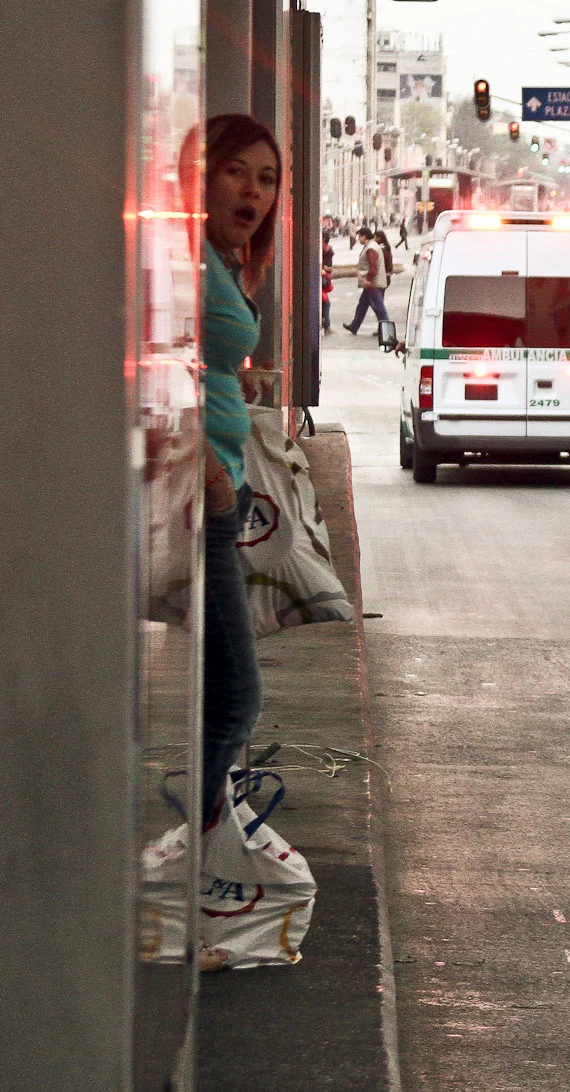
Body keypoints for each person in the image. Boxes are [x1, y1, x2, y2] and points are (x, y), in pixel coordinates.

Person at [196, 113, 281, 830]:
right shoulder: (184, 257)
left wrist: (235, 378)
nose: (253, 190)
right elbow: (153, 360)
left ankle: (198, 839)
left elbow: (201, 358)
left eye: (267, 178)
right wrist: (205, 468)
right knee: (234, 696)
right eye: (236, 171)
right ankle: (194, 836)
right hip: (204, 496)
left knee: (224, 692)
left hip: (224, 487)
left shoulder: (221, 259)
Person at [345, 225, 390, 335]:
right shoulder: (372, 246)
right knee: (362, 305)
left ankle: (387, 331)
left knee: (379, 308)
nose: (358, 239)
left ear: (364, 236)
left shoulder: (371, 248)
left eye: (359, 236)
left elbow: (373, 266)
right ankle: (354, 326)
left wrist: (368, 280)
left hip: (372, 284)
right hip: (370, 283)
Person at [320, 245, 333, 333]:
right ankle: (327, 326)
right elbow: (329, 288)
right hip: (322, 296)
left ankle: (325, 325)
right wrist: (326, 275)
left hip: (322, 295)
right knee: (326, 305)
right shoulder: (322, 273)